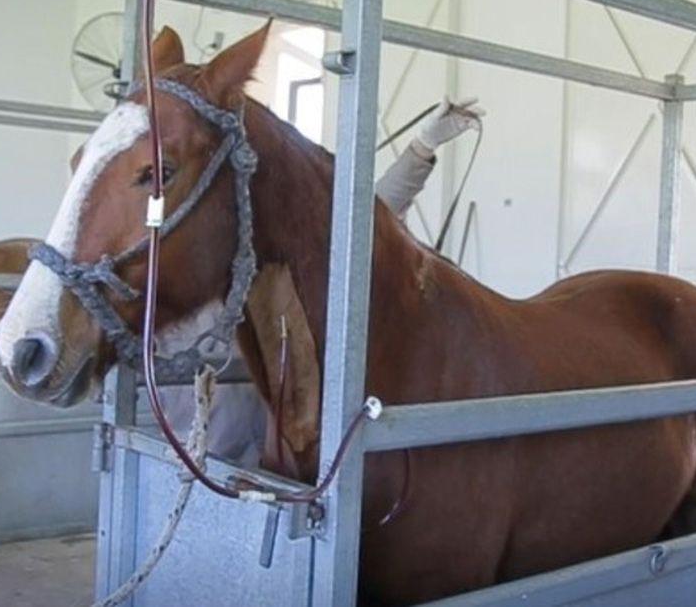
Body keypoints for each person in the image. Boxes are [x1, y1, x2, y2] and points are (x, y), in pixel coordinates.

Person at [166, 98, 485, 467]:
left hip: (269, 455)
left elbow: (367, 217)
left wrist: (420, 149)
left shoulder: (283, 233)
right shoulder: (183, 250)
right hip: (196, 459)